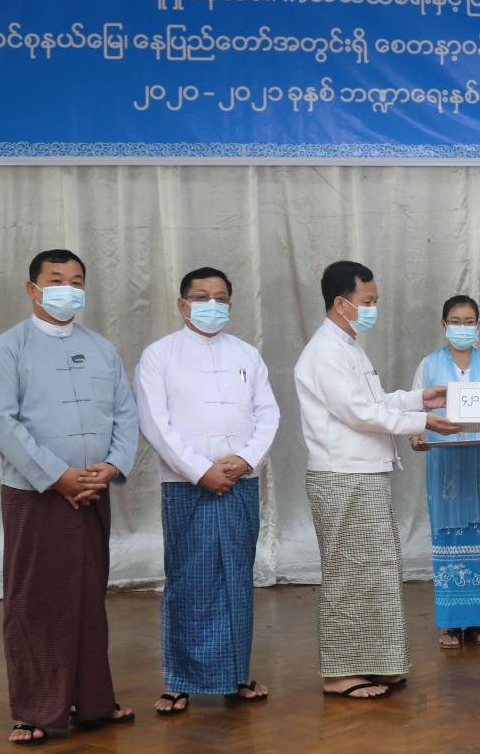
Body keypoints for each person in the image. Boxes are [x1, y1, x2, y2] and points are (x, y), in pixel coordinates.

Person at [0, 249, 139, 745]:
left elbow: (126, 413)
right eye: (56, 280)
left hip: (93, 490)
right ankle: (34, 709)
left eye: (77, 281)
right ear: (33, 289)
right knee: (36, 600)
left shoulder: (101, 348)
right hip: (36, 494)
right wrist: (56, 476)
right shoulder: (7, 349)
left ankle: (93, 703)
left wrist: (113, 465)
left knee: (89, 597)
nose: (68, 289)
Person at [293, 260, 458, 700]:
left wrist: (418, 398)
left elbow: (376, 400)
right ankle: (339, 673)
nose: (372, 310)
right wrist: (424, 421)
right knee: (348, 576)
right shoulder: (324, 352)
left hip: (365, 474)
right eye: (367, 302)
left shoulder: (349, 347)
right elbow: (360, 413)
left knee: (376, 573)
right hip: (342, 476)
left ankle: (378, 663)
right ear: (340, 303)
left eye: (375, 302)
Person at [134, 267, 280, 714]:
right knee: (188, 580)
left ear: (231, 305)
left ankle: (237, 674)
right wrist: (200, 470)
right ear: (183, 304)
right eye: (201, 296)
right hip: (186, 483)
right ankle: (180, 680)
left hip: (240, 480)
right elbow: (155, 422)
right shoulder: (159, 355)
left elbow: (268, 413)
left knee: (237, 578)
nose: (211, 304)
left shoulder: (247, 354)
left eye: (220, 297)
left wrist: (246, 459)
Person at [410, 295, 480, 649]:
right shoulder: (428, 365)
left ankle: (478, 622)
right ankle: (450, 624)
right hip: (445, 463)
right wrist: (415, 435)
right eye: (455, 321)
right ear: (443, 324)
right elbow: (415, 410)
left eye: (469, 322)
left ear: (478, 326)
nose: (462, 328)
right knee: (448, 537)